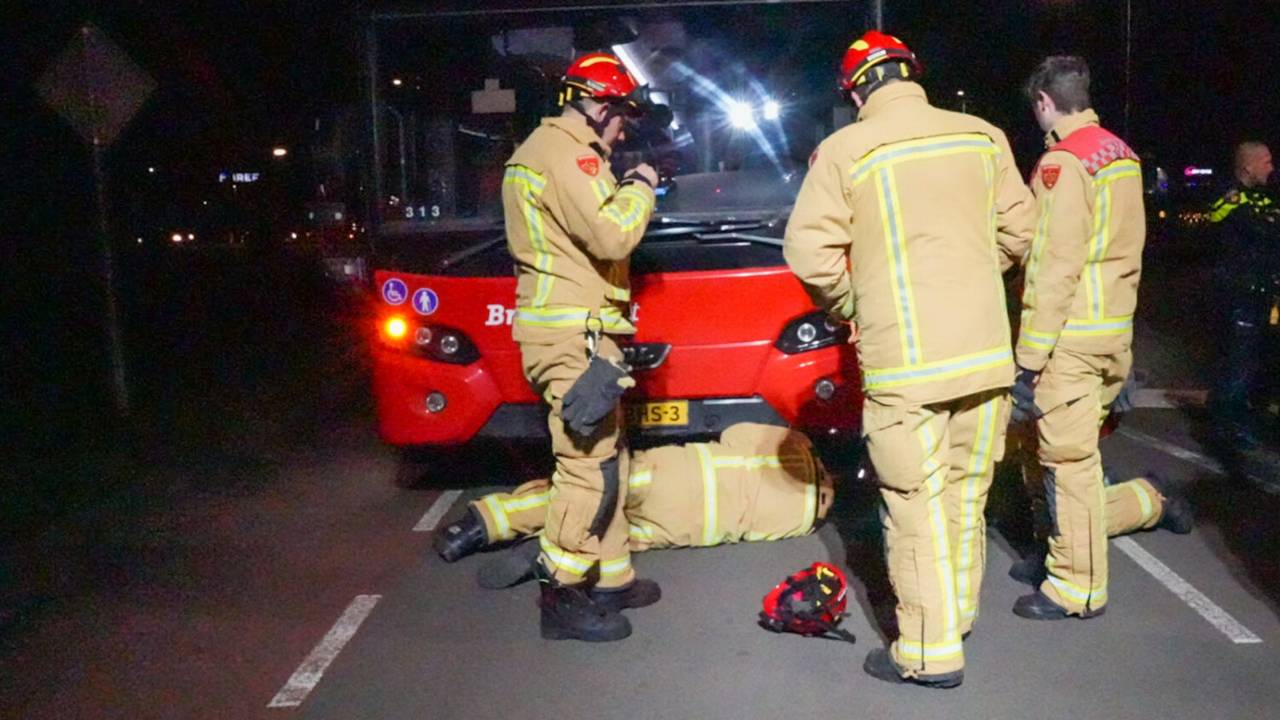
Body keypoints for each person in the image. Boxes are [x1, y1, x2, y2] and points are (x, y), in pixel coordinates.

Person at [784, 30, 1035, 688]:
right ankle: (956, 616)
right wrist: (973, 275)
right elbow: (1021, 231)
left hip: (906, 362)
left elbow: (808, 253)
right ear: (911, 74)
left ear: (855, 92)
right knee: (965, 493)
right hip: (985, 355)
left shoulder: (846, 151)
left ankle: (928, 650)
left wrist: (854, 305)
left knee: (912, 501)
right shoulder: (982, 136)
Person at [496, 51, 661, 643]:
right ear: (598, 107)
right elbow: (612, 236)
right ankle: (560, 595)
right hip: (573, 336)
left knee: (607, 456)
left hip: (579, 332)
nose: (623, 132)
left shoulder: (547, 151)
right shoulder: (568, 154)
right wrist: (641, 187)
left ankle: (612, 578)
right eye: (622, 118)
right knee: (586, 466)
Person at [1009, 56, 1148, 622]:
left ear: (1045, 102)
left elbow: (1053, 265)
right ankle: (1055, 554)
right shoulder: (1119, 153)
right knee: (1059, 454)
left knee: (1068, 463)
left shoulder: (1063, 163)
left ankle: (1077, 588)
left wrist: (1029, 356)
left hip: (1070, 335)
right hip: (1111, 329)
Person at [434, 423, 834, 584]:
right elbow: (752, 534)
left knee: (590, 491)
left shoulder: (798, 445)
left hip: (675, 475)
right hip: (688, 529)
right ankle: (552, 551)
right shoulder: (801, 523)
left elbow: (735, 433)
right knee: (612, 532)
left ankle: (480, 524)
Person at [1207, 141, 1279, 446]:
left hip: (1261, 292)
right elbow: (1258, 232)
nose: (1271, 168)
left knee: (1257, 360)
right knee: (1238, 362)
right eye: (1266, 162)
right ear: (1248, 166)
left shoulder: (1264, 198)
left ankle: (1242, 418)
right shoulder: (1230, 198)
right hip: (1238, 293)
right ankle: (1224, 427)